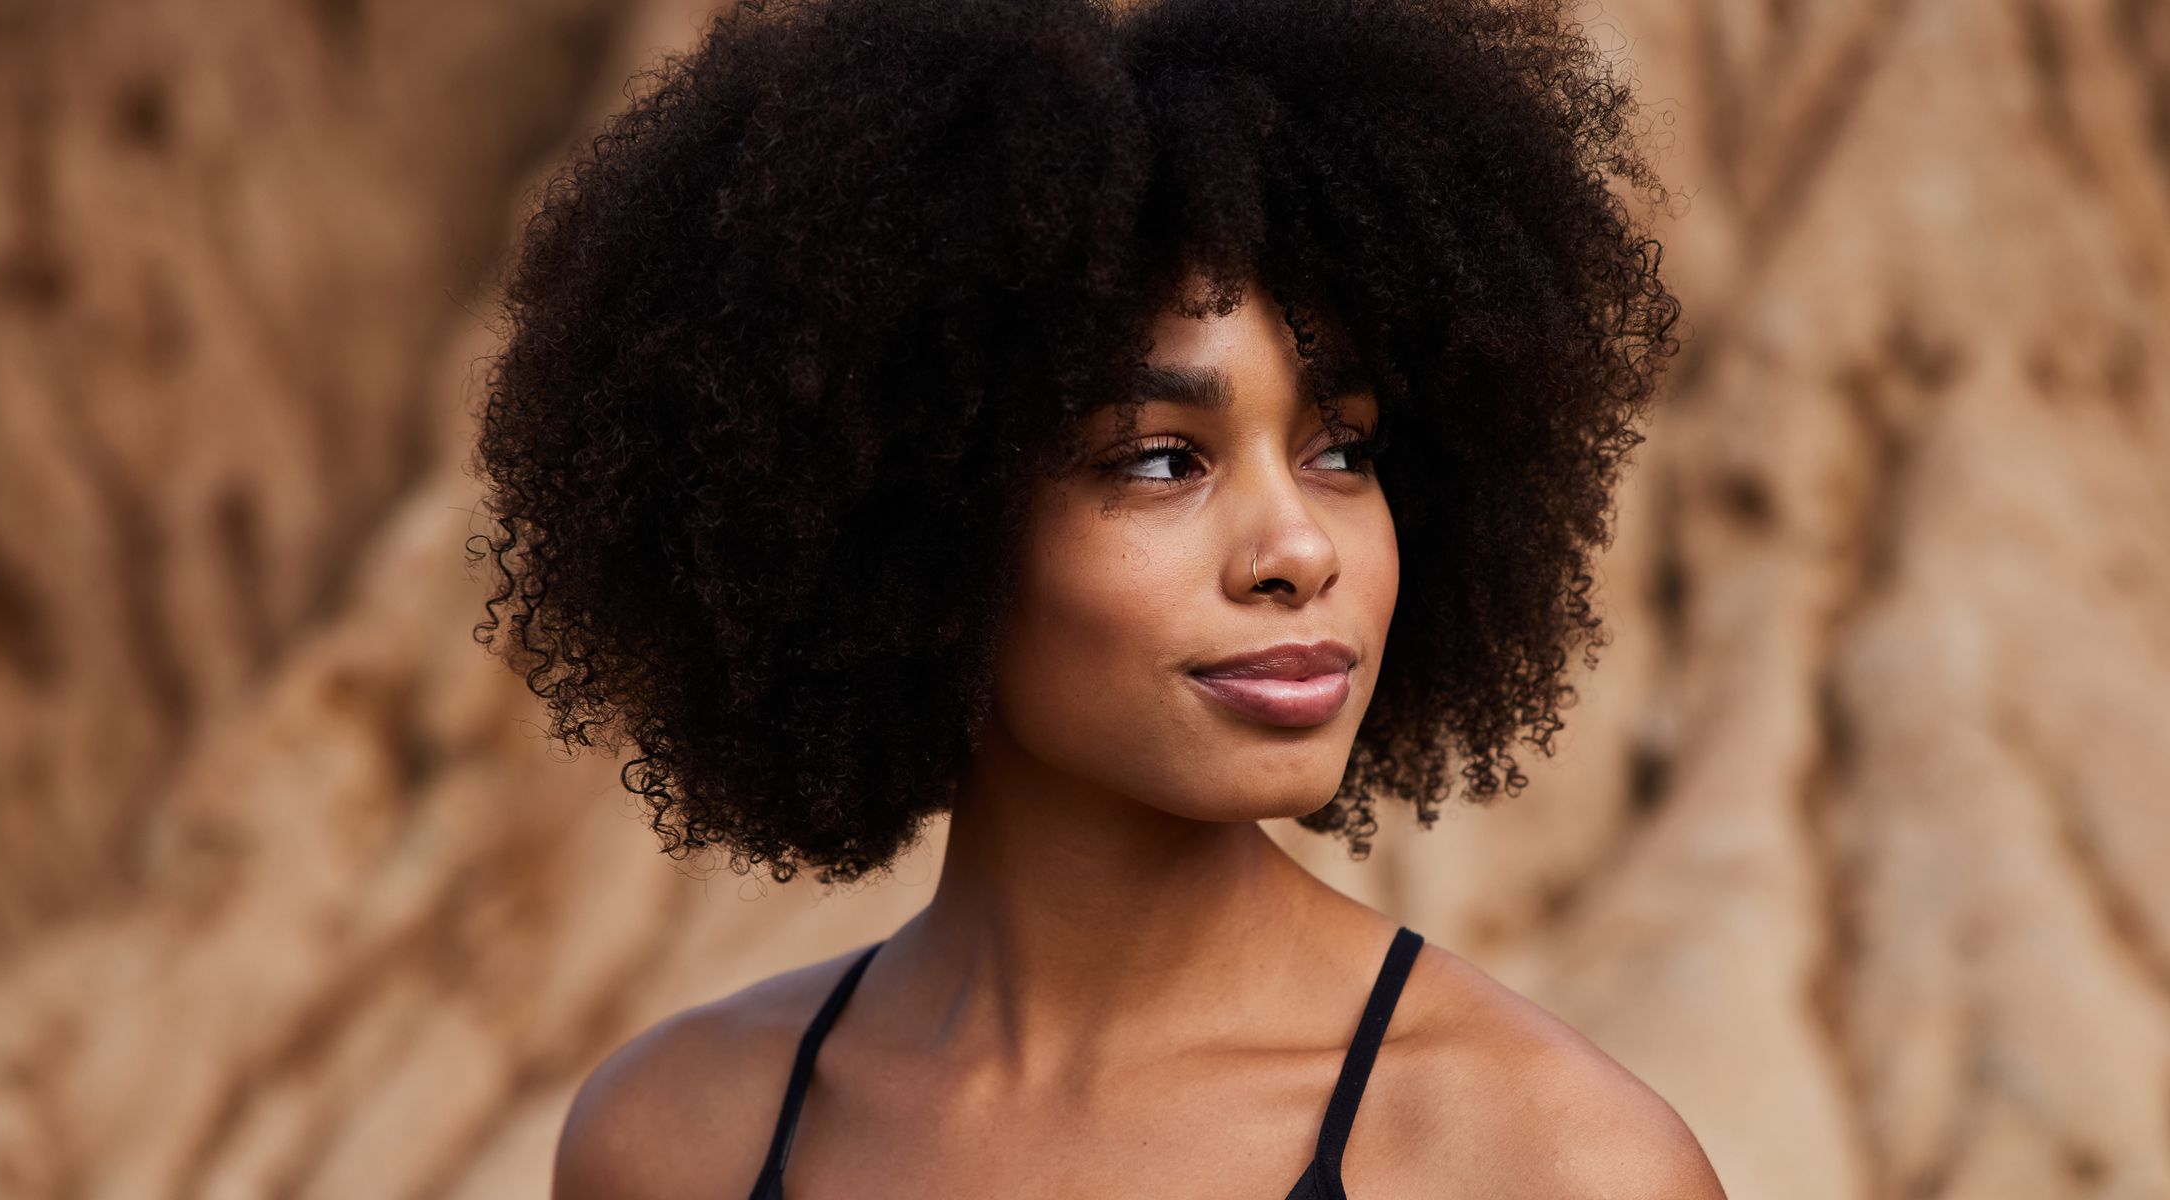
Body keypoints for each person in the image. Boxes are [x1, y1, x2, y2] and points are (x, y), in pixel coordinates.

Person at [469, 0, 1712, 1194]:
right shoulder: (676, 1141)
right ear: (913, 523)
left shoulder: (1544, 1165)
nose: (1299, 547)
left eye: (1343, 449)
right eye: (1163, 459)